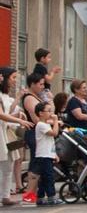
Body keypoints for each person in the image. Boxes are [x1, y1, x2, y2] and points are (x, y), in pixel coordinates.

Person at [0, 68, 34, 205]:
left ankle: (5, 196)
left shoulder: (4, 95)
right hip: (2, 133)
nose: (14, 80)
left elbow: (5, 116)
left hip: (6, 132)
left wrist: (17, 118)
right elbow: (1, 114)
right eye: (13, 77)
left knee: (8, 164)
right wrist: (19, 120)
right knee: (4, 163)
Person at [20, 73, 46, 205]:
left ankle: (33, 193)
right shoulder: (29, 98)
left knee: (38, 161)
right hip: (34, 132)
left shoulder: (37, 97)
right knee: (36, 161)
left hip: (40, 132)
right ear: (32, 84)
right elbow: (35, 117)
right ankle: (29, 193)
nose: (42, 86)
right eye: (40, 84)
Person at [33, 101, 63, 206]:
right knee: (49, 177)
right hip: (43, 155)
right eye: (48, 111)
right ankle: (51, 197)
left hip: (47, 154)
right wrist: (55, 121)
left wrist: (54, 154)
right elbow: (54, 133)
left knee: (45, 177)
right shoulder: (41, 125)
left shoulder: (45, 124)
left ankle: (40, 197)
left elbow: (50, 142)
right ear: (41, 113)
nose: (51, 113)